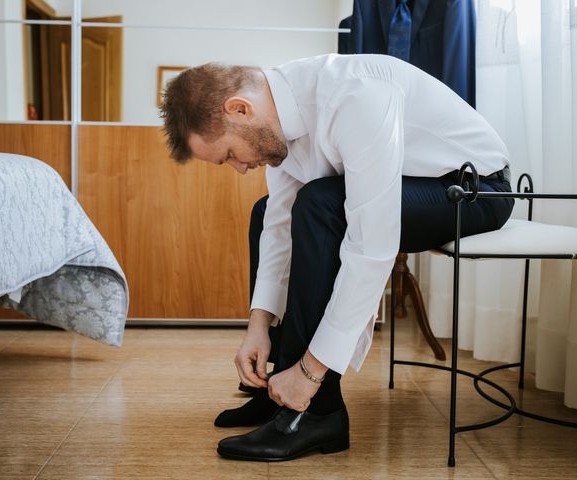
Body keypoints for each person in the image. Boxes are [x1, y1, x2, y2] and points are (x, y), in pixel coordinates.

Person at [160, 53, 514, 462]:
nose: (239, 168)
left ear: (240, 109)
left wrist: (312, 371)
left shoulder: (356, 97)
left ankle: (315, 408)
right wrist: (258, 326)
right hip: (423, 185)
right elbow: (277, 224)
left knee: (320, 206)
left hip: (476, 191)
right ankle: (278, 385)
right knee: (268, 210)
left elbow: (372, 247)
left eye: (229, 155)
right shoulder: (276, 121)